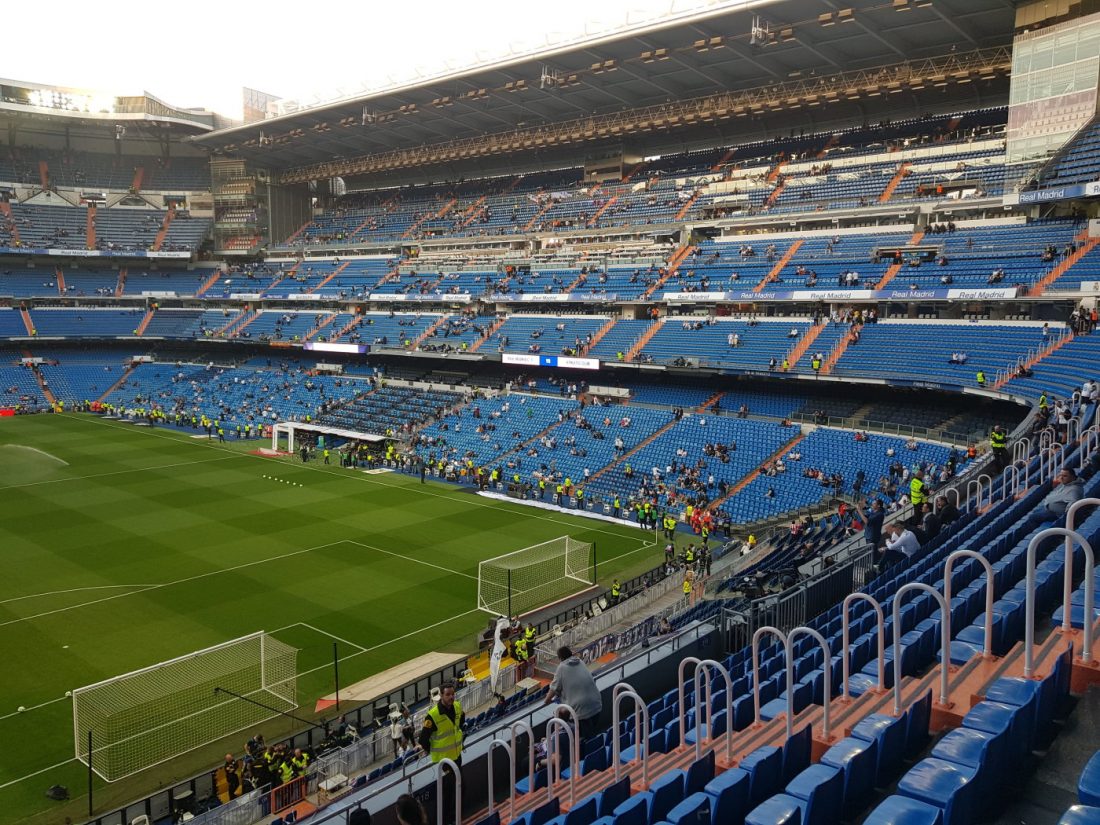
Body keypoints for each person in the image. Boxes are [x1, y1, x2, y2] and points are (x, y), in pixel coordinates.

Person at [419, 682, 463, 824]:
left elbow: (461, 720)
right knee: (448, 793)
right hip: (444, 763)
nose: (451, 697)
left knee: (459, 788)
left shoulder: (457, 706)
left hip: (457, 756)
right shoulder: (432, 716)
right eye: (448, 694)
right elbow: (423, 739)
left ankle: (453, 817)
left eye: (452, 694)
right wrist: (430, 751)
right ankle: (445, 820)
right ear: (441, 696)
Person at [544, 646, 603, 741]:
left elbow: (553, 688)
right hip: (597, 704)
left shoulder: (562, 667)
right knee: (591, 738)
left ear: (560, 658)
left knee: (583, 741)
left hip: (582, 712)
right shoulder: (580, 662)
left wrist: (546, 700)